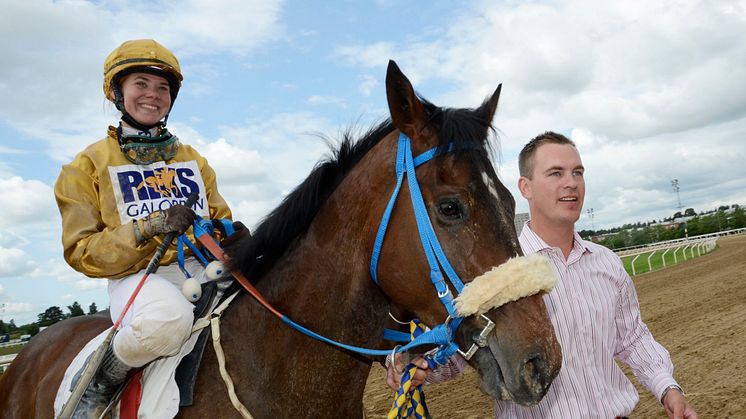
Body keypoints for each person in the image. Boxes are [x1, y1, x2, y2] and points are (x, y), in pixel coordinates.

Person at [385, 132, 698, 418]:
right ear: (526, 188)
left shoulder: (607, 263)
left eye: (578, 172)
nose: (571, 183)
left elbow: (633, 338)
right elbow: (454, 354)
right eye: (555, 173)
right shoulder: (497, 272)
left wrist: (668, 389)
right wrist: (410, 364)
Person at [54, 39, 233, 418]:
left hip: (204, 267)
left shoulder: (194, 160)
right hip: (137, 278)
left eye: (162, 88)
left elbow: (219, 215)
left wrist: (231, 232)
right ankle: (104, 378)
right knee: (167, 321)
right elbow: (81, 251)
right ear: (117, 92)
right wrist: (148, 227)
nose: (153, 95)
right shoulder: (85, 165)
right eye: (141, 84)